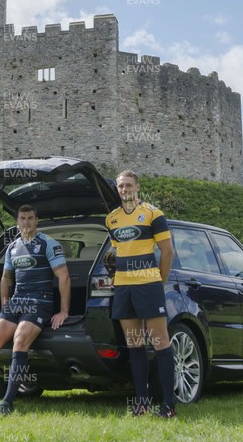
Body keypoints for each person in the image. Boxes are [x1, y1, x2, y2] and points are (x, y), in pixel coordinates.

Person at [0, 204, 71, 417]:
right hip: (16, 302)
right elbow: (5, 278)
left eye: (30, 218)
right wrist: (4, 307)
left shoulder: (48, 244)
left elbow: (63, 276)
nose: (26, 222)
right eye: (22, 218)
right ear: (17, 222)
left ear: (36, 221)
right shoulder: (13, 247)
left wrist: (64, 310)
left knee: (19, 340)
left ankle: (7, 403)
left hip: (39, 301)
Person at [105, 170, 176, 418]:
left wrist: (159, 282)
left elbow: (167, 252)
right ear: (117, 189)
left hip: (149, 285)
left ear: (137, 187)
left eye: (128, 185)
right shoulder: (111, 219)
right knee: (134, 344)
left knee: (160, 342)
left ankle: (168, 405)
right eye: (120, 186)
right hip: (124, 288)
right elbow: (118, 253)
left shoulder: (153, 214)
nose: (124, 190)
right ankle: (142, 404)